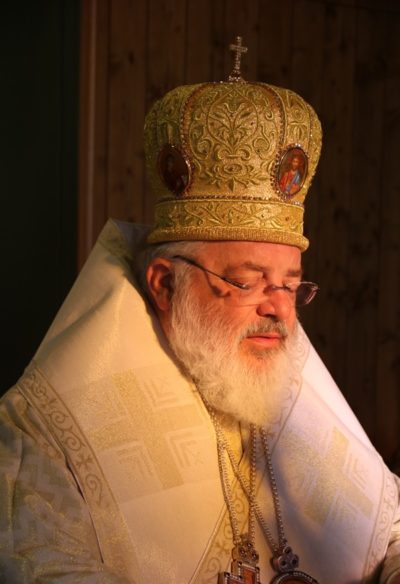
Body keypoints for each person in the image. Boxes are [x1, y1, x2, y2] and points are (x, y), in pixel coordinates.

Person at [1, 44, 400, 584]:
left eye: (291, 284)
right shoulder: (42, 431)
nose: (279, 310)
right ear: (165, 285)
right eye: (246, 281)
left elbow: (388, 527)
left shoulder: (274, 363)